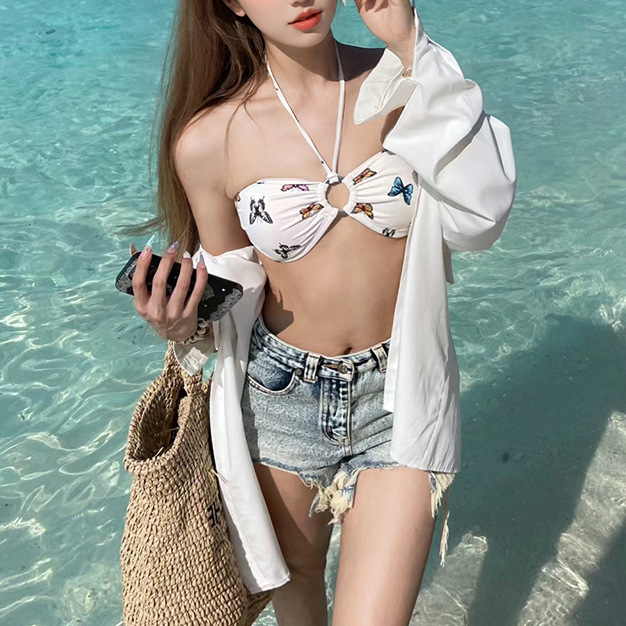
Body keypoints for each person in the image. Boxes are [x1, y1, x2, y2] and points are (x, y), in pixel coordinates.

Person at [126, 0, 517, 624]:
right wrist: (182, 323)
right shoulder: (208, 140)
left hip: (400, 397)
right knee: (299, 593)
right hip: (277, 401)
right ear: (233, 4)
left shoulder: (405, 85)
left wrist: (411, 44)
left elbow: (484, 215)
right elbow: (234, 283)